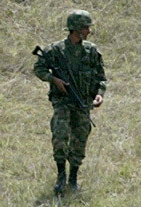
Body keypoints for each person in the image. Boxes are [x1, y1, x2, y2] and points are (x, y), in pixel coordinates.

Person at [33, 10, 106, 194]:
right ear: (76, 29)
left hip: (83, 103)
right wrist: (53, 79)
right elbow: (39, 68)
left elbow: (101, 76)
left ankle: (73, 178)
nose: (88, 31)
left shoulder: (91, 51)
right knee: (60, 135)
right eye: (85, 27)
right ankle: (60, 177)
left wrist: (99, 94)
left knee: (80, 139)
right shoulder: (55, 50)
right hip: (62, 103)